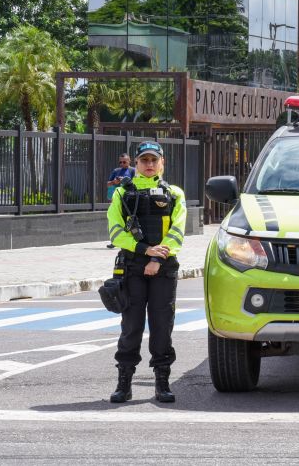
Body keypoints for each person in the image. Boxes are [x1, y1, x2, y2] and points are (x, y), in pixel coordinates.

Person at [106, 141, 187, 403]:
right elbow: (116, 232)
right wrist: (145, 251)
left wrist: (157, 259)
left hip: (163, 267)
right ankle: (124, 384)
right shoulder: (122, 193)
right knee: (131, 326)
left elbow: (177, 233)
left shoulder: (174, 193)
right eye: (144, 160)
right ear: (137, 163)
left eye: (154, 160)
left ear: (162, 163)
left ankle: (162, 383)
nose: (149, 165)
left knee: (162, 326)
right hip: (132, 266)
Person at [106, 154, 135, 248]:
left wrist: (127, 181)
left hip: (128, 198)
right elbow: (108, 184)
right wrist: (114, 182)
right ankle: (114, 241)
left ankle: (130, 239)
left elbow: (137, 183)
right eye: (120, 162)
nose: (122, 164)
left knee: (127, 219)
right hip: (117, 199)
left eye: (124, 162)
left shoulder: (133, 171)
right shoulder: (116, 171)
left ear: (129, 161)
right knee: (115, 219)